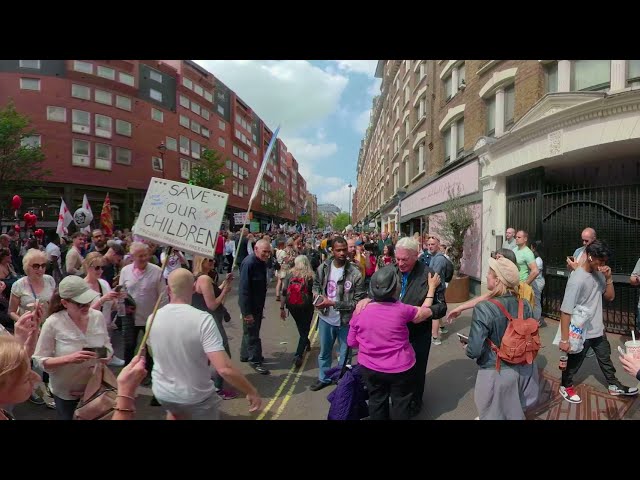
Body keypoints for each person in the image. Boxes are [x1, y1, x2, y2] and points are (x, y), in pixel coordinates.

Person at [148, 268, 262, 419]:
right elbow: (224, 368)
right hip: (195, 397)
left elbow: (154, 353)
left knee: (174, 413)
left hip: (163, 392)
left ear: (168, 289)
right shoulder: (203, 320)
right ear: (194, 288)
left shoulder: (152, 317)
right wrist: (251, 390)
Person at [355, 236, 447, 417]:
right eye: (398, 259)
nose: (400, 263)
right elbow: (375, 291)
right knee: (391, 374)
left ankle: (415, 404)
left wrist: (427, 313)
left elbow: (441, 305)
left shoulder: (429, 274)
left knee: (417, 371)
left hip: (417, 333)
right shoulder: (389, 270)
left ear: (416, 256)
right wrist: (367, 299)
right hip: (392, 335)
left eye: (405, 259)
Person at [557, 240, 638, 403]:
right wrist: (564, 340)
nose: (603, 264)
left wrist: (608, 278)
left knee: (605, 358)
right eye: (601, 261)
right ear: (590, 257)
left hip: (597, 328)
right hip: (580, 330)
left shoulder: (599, 275)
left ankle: (613, 385)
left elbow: (610, 296)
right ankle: (565, 386)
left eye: (605, 261)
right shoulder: (577, 279)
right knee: (574, 362)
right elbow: (566, 311)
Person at [465, 257, 539, 420]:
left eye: (489, 275)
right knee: (517, 412)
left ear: (497, 280)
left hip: (496, 371)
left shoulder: (484, 308)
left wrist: (467, 346)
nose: (486, 277)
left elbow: (474, 350)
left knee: (493, 414)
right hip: (525, 369)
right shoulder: (524, 304)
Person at [33, 276, 114, 420]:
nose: (86, 306)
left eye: (88, 301)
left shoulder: (98, 317)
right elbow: (39, 360)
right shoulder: (53, 323)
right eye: (79, 303)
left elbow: (107, 346)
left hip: (95, 388)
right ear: (64, 303)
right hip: (67, 393)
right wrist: (69, 359)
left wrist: (104, 355)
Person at [310, 237, 366, 391]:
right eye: (338, 250)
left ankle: (342, 381)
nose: (342, 253)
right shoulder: (323, 267)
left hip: (346, 321)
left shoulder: (355, 272)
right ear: (332, 250)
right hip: (325, 318)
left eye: (344, 249)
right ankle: (324, 377)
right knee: (324, 352)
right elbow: (315, 285)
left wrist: (334, 303)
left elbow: (357, 302)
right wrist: (317, 295)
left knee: (345, 355)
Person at [191, 255, 235, 399]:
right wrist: (225, 291)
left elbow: (210, 293)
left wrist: (224, 283)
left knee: (206, 356)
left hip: (202, 320)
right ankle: (216, 388)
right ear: (201, 262)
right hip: (211, 322)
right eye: (209, 260)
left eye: (213, 259)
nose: (213, 262)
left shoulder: (201, 277)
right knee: (222, 355)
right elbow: (212, 304)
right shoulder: (204, 279)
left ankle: (200, 384)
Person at [118, 242, 166, 368]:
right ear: (132, 257)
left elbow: (163, 296)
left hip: (150, 317)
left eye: (146, 255)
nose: (144, 258)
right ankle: (128, 370)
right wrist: (124, 306)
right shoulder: (125, 271)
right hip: (130, 318)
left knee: (149, 347)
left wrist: (159, 316)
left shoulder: (157, 271)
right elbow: (121, 292)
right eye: (140, 256)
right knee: (129, 346)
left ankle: (148, 373)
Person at [83, 252, 125, 367]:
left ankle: (107, 360)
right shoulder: (82, 286)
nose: (100, 271)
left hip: (104, 327)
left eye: (102, 268)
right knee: (92, 363)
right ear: (87, 266)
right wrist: (102, 300)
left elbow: (112, 306)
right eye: (97, 268)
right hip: (88, 329)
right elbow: (82, 312)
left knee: (101, 362)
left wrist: (117, 298)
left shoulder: (104, 283)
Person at [238, 239, 272, 375]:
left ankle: (245, 354)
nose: (267, 255)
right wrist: (247, 313)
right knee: (253, 334)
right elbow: (244, 290)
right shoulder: (249, 263)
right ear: (256, 249)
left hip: (257, 305)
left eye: (269, 252)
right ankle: (255, 360)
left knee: (249, 331)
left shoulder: (260, 262)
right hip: (250, 306)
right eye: (264, 252)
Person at [280, 255, 314, 368]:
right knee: (305, 329)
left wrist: (282, 307)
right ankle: (298, 355)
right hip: (306, 305)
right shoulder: (309, 276)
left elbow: (284, 291)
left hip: (292, 305)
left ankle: (306, 343)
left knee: (300, 326)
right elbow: (313, 293)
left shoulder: (289, 275)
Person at [530, 240, 546, 327]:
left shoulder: (538, 260)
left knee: (536, 301)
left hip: (537, 282)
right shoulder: (536, 258)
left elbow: (534, 272)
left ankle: (537, 320)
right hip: (535, 282)